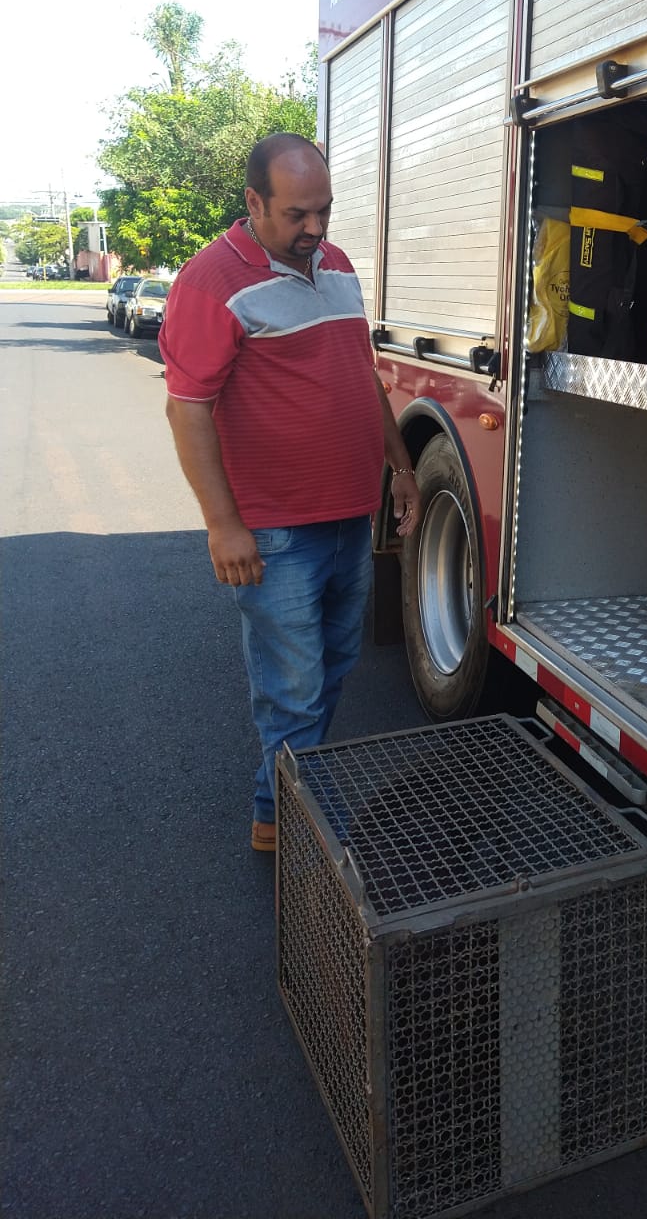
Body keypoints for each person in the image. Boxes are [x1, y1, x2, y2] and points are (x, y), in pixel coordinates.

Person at [159, 133, 420, 853]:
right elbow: (188, 407)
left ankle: (280, 815)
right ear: (254, 202)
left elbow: (359, 373)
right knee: (293, 689)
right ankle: (297, 831)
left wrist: (399, 465)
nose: (316, 230)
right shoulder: (211, 282)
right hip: (275, 532)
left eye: (325, 212)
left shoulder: (333, 265)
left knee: (332, 671)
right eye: (298, 214)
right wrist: (222, 525)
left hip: (348, 517)